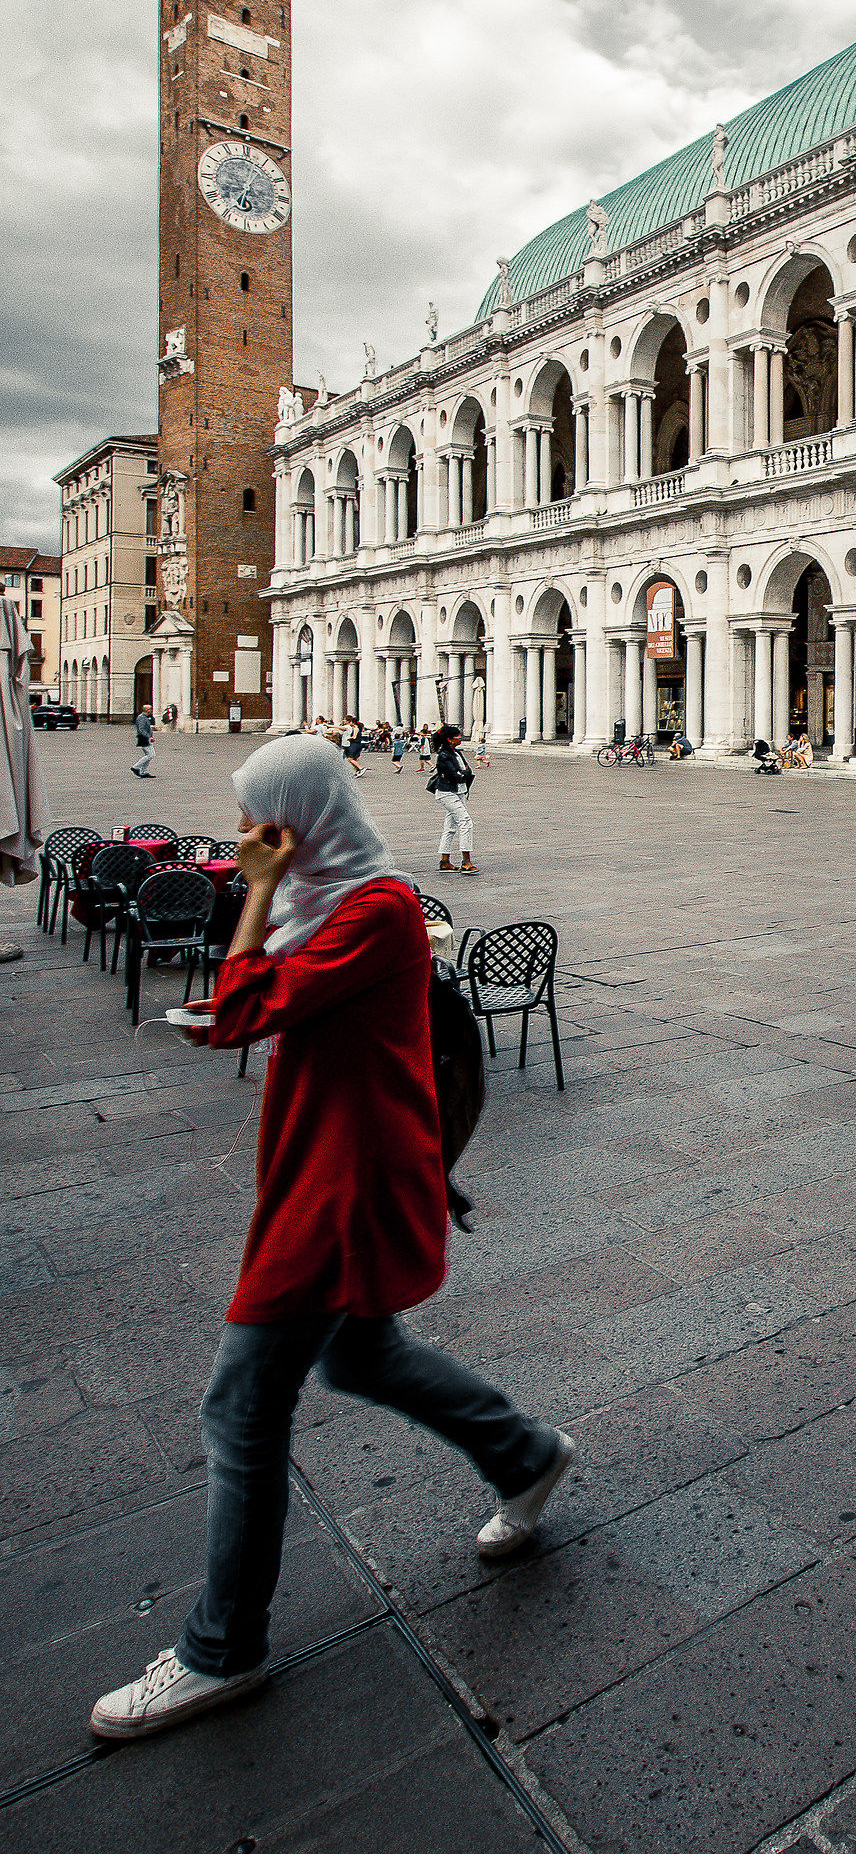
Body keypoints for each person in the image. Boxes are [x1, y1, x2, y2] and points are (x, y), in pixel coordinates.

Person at [88, 736, 572, 1744]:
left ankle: (223, 1651)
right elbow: (251, 1006)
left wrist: (254, 897)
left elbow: (236, 1016)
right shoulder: (337, 906)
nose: (245, 841)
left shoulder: (377, 911)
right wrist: (264, 916)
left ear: (302, 818)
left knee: (240, 1409)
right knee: (361, 1354)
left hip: (342, 1186)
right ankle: (523, 1455)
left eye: (260, 823)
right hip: (327, 1164)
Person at [432, 724, 476, 874]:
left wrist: (463, 773)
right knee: (466, 822)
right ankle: (466, 861)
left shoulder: (456, 752)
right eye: (457, 736)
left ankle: (445, 860)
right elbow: (454, 775)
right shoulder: (443, 755)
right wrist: (464, 774)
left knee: (450, 827)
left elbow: (466, 770)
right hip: (447, 792)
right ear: (449, 739)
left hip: (459, 792)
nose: (460, 737)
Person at [131, 703, 156, 779]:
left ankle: (143, 771)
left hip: (147, 738)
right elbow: (141, 729)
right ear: (147, 710)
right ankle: (136, 767)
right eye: (150, 709)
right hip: (144, 738)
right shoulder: (141, 718)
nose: (152, 711)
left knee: (149, 754)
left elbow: (153, 723)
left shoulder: (147, 717)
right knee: (150, 755)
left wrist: (151, 717)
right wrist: (149, 737)